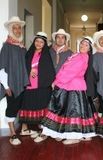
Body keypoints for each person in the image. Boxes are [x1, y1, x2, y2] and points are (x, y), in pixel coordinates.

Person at [40, 36, 97, 145]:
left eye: (86, 45)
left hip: (74, 87)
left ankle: (74, 136)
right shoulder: (77, 55)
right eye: (82, 43)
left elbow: (71, 72)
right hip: (69, 85)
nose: (83, 46)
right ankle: (67, 133)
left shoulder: (83, 57)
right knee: (69, 112)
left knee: (73, 113)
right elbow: (64, 68)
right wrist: (57, 80)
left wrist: (58, 82)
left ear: (89, 49)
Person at [18, 32, 55, 139]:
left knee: (42, 107)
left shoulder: (46, 55)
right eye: (37, 41)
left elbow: (50, 71)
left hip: (42, 86)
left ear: (44, 44)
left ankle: (43, 131)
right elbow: (22, 67)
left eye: (41, 42)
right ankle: (24, 129)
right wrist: (29, 71)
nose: (39, 43)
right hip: (29, 85)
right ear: (34, 42)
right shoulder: (29, 53)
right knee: (26, 106)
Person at [0, 16, 29, 145]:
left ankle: (23, 128)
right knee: (12, 107)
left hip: (22, 82)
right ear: (11, 30)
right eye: (15, 28)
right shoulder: (6, 46)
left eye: (19, 28)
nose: (17, 30)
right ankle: (12, 133)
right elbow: (2, 68)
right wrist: (6, 86)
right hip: (10, 84)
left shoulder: (22, 47)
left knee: (22, 106)